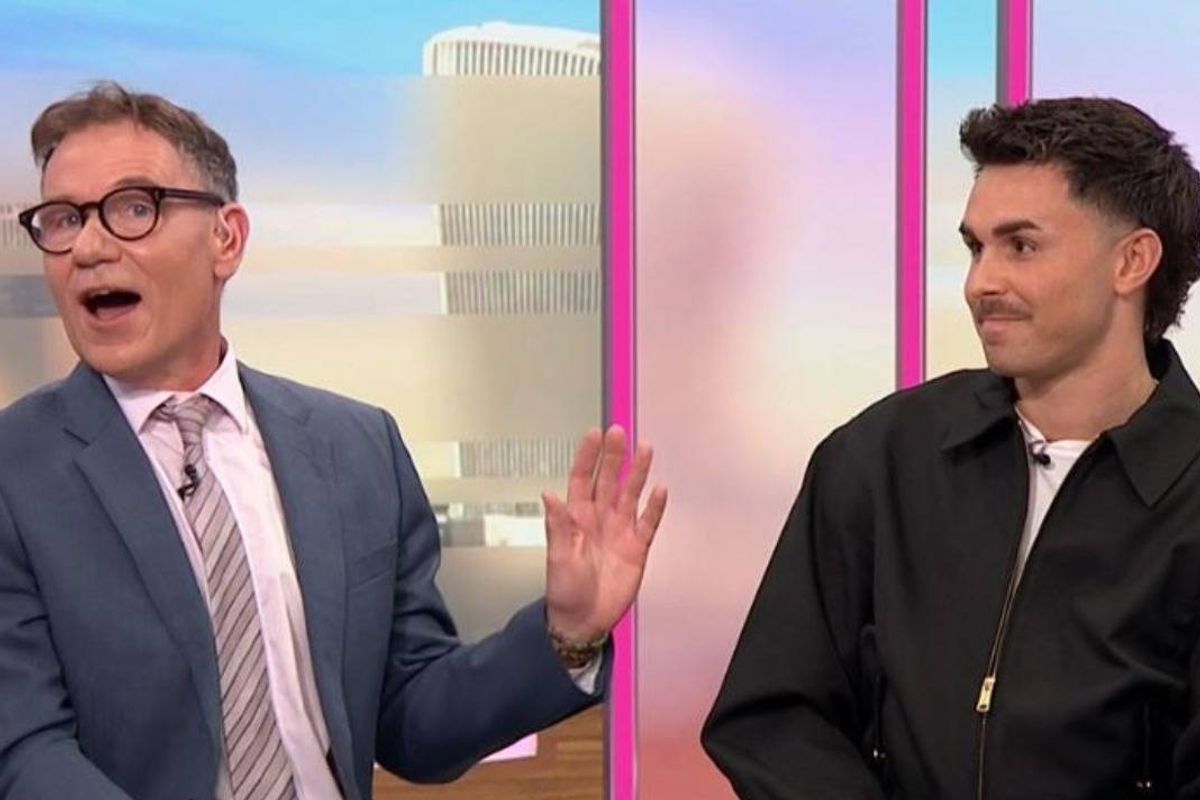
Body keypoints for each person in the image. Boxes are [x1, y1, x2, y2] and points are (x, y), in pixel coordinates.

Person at [0, 82, 667, 800]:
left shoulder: (356, 447)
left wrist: (567, 632)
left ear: (226, 239)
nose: (89, 247)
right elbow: (25, 747)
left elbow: (412, 723)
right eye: (62, 219)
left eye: (134, 208)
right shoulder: (16, 473)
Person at [703, 96, 1200, 798]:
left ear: (1132, 261)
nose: (980, 283)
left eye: (1020, 246)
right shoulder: (880, 458)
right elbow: (774, 714)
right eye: (976, 247)